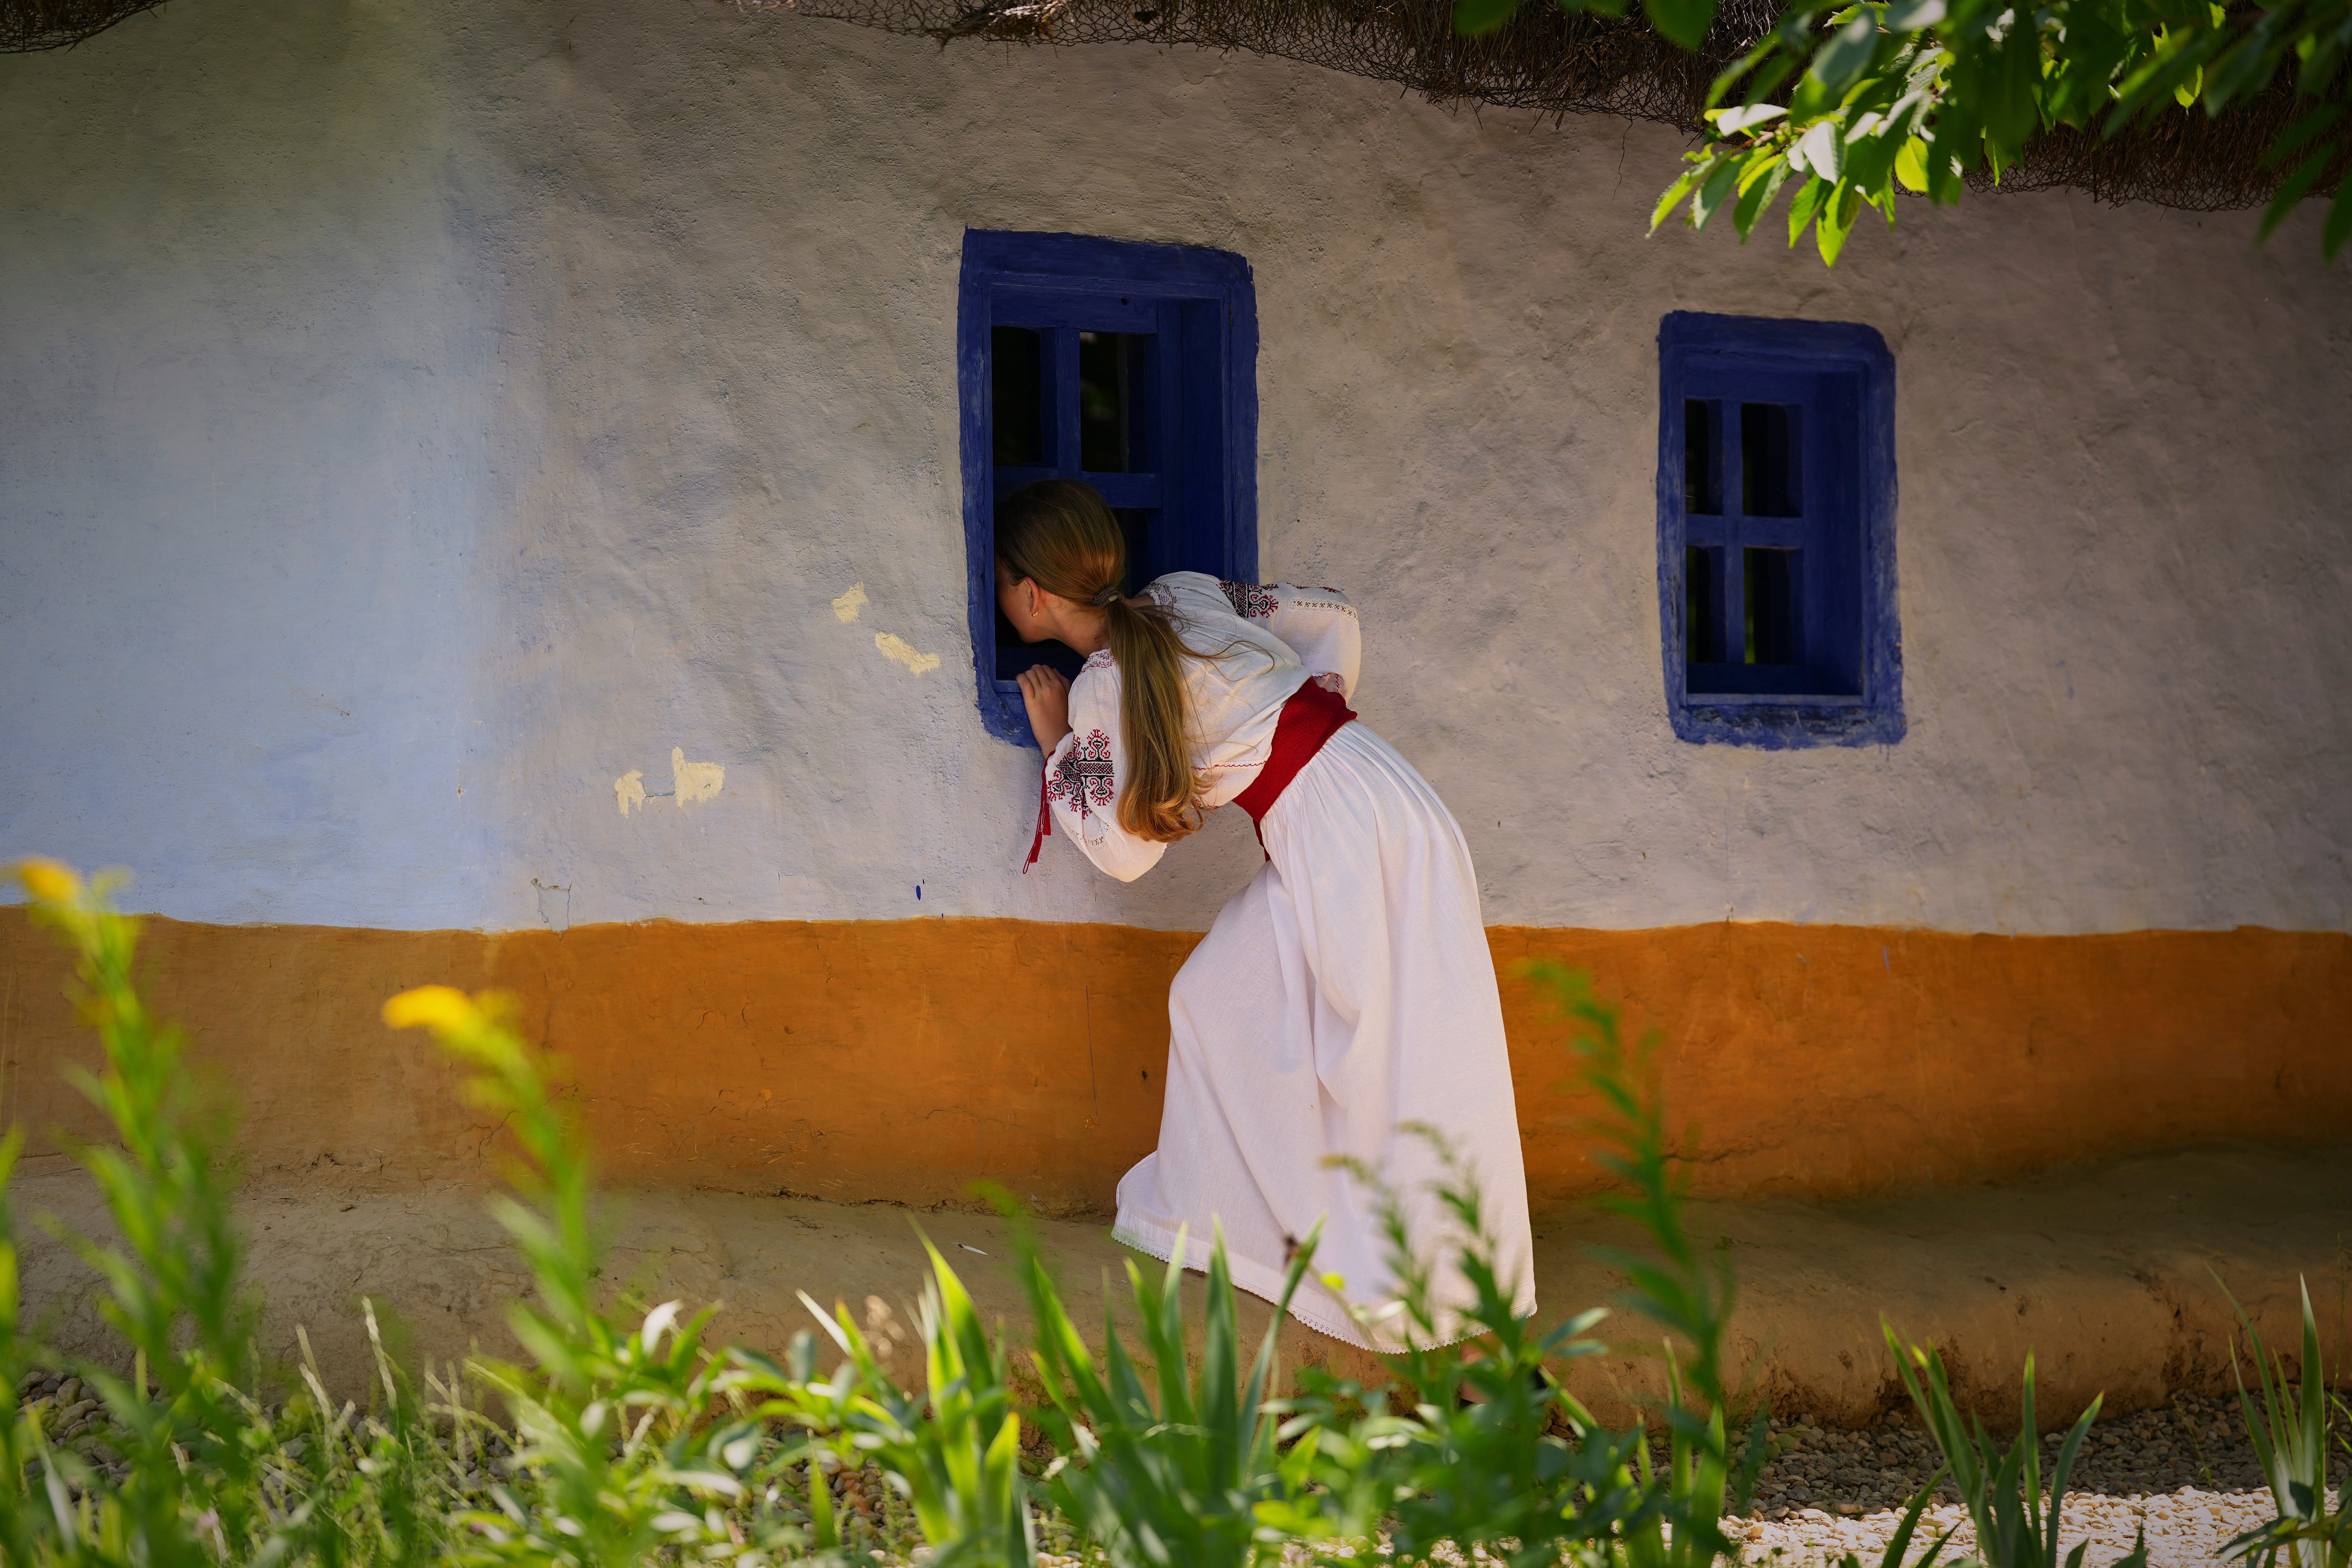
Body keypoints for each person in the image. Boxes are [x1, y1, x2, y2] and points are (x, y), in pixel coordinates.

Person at [999, 478, 1533, 1351]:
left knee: (1392, 1054)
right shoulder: (1183, 595)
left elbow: (1125, 852)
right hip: (1369, 791)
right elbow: (1332, 616)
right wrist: (1292, 711)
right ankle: (1259, 1235)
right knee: (1218, 998)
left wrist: (1059, 742)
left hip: (1340, 828)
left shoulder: (1100, 689)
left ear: (1030, 595)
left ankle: (1449, 1311)